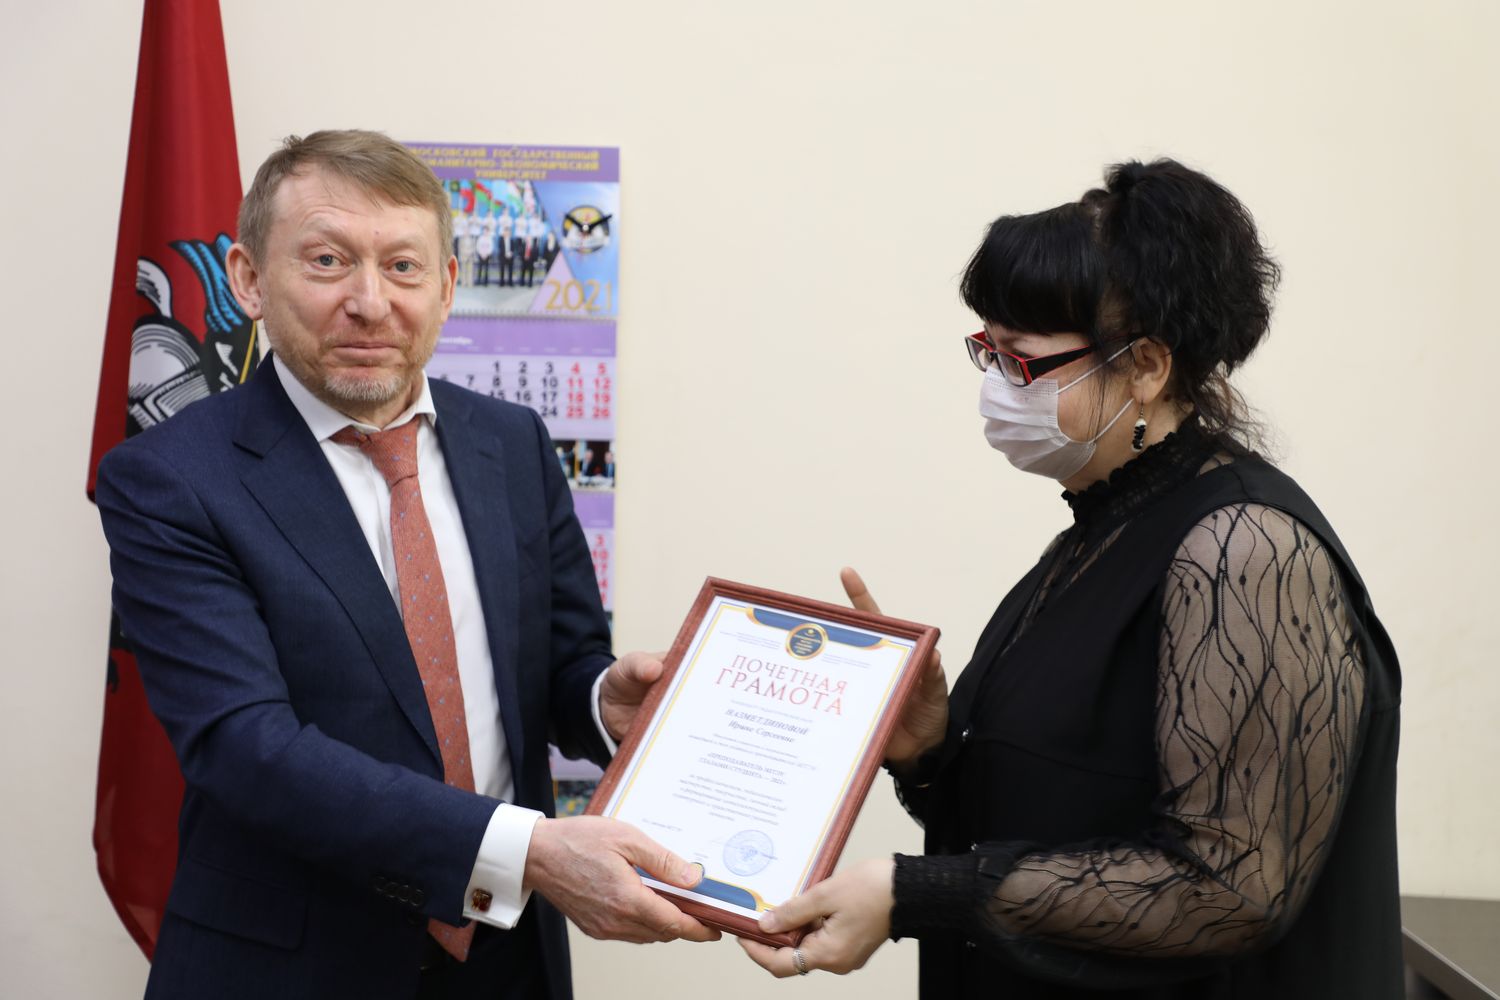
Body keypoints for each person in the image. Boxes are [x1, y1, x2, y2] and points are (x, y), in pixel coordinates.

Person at [739, 158, 1402, 998]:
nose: (995, 386)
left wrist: (915, 893)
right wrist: (932, 754)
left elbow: (1228, 890)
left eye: (1021, 359)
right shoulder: (1096, 534)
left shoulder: (1242, 549)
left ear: (1146, 366)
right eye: (986, 351)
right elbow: (1057, 817)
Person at [95, 130, 716, 1000]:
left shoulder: (512, 442)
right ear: (248, 278)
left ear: (448, 285)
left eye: (403, 266)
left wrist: (598, 701)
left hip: (508, 963)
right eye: (326, 261)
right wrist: (524, 850)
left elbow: (557, 662)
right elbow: (245, 746)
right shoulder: (169, 480)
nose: (369, 301)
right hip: (291, 966)